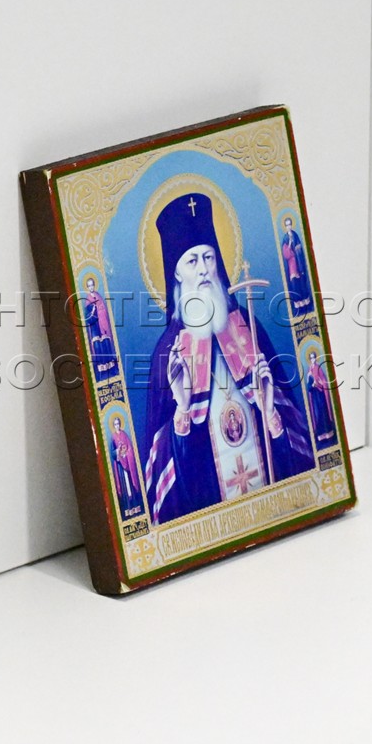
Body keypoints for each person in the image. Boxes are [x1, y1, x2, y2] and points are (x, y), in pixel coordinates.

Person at [141, 192, 314, 524]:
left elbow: (293, 440)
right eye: (192, 261)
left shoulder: (247, 327)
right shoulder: (168, 353)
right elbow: (165, 473)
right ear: (176, 274)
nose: (204, 270)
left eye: (208, 257)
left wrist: (270, 413)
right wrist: (182, 410)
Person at [109, 414, 143, 515]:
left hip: (128, 463)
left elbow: (130, 447)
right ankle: (128, 509)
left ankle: (136, 507)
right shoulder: (113, 437)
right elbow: (112, 452)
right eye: (115, 424)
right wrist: (118, 452)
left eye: (118, 423)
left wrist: (127, 454)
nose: (117, 426)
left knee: (131, 484)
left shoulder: (124, 434)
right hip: (120, 464)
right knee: (124, 486)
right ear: (114, 426)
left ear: (120, 424)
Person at [82, 275, 117, 373]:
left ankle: (110, 364)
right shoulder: (88, 299)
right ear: (87, 287)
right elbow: (88, 315)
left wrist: (100, 311)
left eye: (92, 285)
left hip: (102, 322)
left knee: (105, 342)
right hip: (95, 326)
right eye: (89, 286)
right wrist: (93, 309)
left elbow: (103, 308)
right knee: (98, 344)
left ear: (94, 285)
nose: (91, 287)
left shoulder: (98, 295)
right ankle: (102, 367)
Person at [279, 216, 312, 311]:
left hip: (298, 262)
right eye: (287, 225)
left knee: (301, 282)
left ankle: (305, 301)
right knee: (294, 284)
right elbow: (286, 254)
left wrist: (298, 248)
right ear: (285, 227)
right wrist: (289, 244)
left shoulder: (295, 235)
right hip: (291, 265)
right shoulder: (285, 238)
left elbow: (299, 246)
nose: (288, 227)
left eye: (289, 224)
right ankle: (298, 302)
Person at [305, 350, 337, 446]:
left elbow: (323, 381)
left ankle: (328, 434)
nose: (313, 359)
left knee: (323, 412)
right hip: (314, 396)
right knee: (317, 414)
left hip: (320, 394)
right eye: (311, 358)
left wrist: (318, 383)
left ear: (316, 358)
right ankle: (321, 436)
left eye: (314, 357)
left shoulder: (318, 367)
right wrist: (311, 383)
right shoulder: (309, 370)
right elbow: (308, 385)